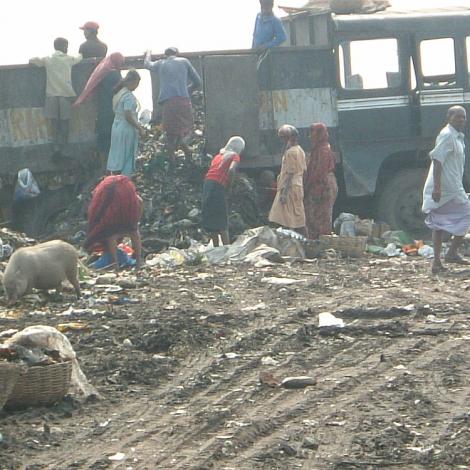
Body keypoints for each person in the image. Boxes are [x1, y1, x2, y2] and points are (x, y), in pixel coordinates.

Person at [422, 105, 470, 274]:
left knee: (442, 223)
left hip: (454, 186)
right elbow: (437, 160)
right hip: (444, 188)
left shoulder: (458, 137)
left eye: (463, 117)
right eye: (458, 117)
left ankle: (448, 255)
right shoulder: (447, 135)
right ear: (449, 118)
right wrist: (437, 187)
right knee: (439, 223)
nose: (462, 120)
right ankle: (442, 258)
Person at [144, 48, 202, 168]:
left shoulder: (161, 63)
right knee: (188, 130)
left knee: (170, 135)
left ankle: (173, 164)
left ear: (165, 55)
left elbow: (147, 64)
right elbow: (198, 82)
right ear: (177, 54)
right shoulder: (184, 61)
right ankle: (188, 155)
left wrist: (148, 53)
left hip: (169, 103)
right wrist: (187, 89)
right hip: (183, 101)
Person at [30, 38, 82, 156]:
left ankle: (56, 148)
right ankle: (64, 147)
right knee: (65, 123)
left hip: (51, 96)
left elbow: (34, 60)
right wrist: (81, 53)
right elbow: (79, 58)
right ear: (64, 47)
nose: (67, 48)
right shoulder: (68, 59)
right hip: (65, 95)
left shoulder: (48, 59)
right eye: (66, 46)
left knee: (54, 124)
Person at [74, 53, 125, 166]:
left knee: (103, 141)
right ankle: (111, 166)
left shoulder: (104, 73)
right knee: (112, 141)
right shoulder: (114, 75)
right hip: (112, 113)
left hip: (103, 112)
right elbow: (119, 92)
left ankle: (103, 166)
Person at [84, 175, 143, 270]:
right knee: (134, 232)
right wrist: (136, 220)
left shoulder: (104, 191)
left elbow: (98, 211)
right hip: (130, 215)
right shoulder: (124, 188)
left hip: (115, 218)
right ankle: (139, 263)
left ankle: (115, 266)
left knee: (111, 235)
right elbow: (140, 201)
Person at [201, 136, 245, 247]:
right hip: (218, 185)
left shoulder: (218, 156)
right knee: (221, 218)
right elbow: (231, 170)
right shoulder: (235, 156)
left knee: (211, 216)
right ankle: (227, 249)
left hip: (207, 184)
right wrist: (229, 187)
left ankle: (216, 248)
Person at [106, 69, 146, 177]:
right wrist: (140, 128)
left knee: (116, 153)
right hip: (126, 128)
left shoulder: (119, 93)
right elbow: (128, 116)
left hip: (116, 126)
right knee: (126, 154)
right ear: (132, 82)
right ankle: (124, 178)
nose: (137, 86)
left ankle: (114, 176)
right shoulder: (128, 96)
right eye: (137, 83)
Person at [269, 125, 307, 235]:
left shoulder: (291, 152)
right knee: (297, 217)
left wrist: (284, 193)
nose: (283, 140)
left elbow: (290, 173)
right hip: (297, 186)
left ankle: (291, 239)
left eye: (284, 137)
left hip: (289, 187)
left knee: (286, 218)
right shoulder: (300, 150)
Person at [304, 123, 338, 239]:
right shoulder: (318, 149)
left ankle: (323, 241)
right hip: (319, 183)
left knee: (321, 214)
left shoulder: (323, 150)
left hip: (323, 185)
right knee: (314, 213)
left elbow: (319, 172)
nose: (310, 136)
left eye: (312, 132)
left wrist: (309, 186)